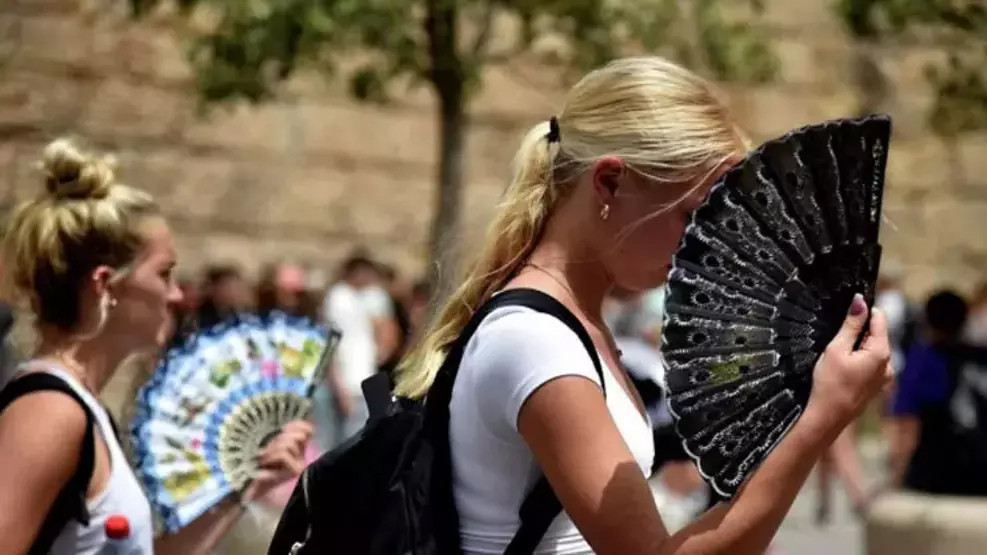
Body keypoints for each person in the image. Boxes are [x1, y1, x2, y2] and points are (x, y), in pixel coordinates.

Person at [395, 56, 891, 554]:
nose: (705, 247)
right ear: (610, 183)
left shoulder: (571, 326)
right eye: (693, 217)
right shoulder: (535, 343)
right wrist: (821, 421)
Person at [0, 138, 311, 554]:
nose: (177, 295)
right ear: (106, 285)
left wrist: (244, 486)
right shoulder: (50, 413)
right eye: (164, 274)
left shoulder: (79, 407)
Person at [889, 290, 987, 495]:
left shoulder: (924, 360)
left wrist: (896, 478)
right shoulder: (980, 358)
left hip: (936, 475)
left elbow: (908, 426)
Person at [316, 253, 385, 450]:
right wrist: (339, 387)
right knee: (339, 447)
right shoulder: (339, 299)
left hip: (360, 383)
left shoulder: (362, 298)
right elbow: (331, 346)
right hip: (344, 385)